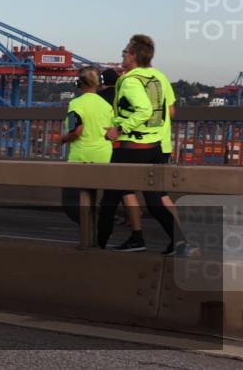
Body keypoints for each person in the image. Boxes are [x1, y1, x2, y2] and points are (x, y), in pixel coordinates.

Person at [97, 35, 190, 255]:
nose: (122, 56)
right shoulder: (159, 76)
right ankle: (179, 241)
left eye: (124, 53)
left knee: (111, 196)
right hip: (159, 145)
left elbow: (144, 111)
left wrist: (119, 129)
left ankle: (97, 246)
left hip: (134, 146)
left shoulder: (129, 80)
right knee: (154, 199)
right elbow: (170, 110)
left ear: (134, 57)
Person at [59, 66, 113, 229]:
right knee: (90, 198)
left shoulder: (76, 103)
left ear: (79, 83)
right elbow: (111, 132)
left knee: (70, 203)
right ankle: (96, 233)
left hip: (81, 158)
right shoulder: (106, 105)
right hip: (104, 158)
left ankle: (95, 229)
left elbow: (76, 131)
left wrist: (62, 139)